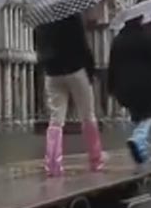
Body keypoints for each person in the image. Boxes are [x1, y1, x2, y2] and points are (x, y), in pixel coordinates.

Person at [34, 13, 105, 176]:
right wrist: (90, 69)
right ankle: (96, 160)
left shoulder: (43, 20)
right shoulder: (72, 16)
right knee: (87, 115)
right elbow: (82, 45)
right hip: (75, 69)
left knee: (56, 119)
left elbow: (39, 49)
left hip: (52, 73)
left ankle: (52, 164)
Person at [107, 16, 151, 164]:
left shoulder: (117, 40)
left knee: (137, 116)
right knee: (148, 116)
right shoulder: (146, 37)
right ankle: (138, 138)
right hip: (145, 85)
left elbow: (111, 64)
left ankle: (142, 154)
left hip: (124, 86)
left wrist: (111, 87)